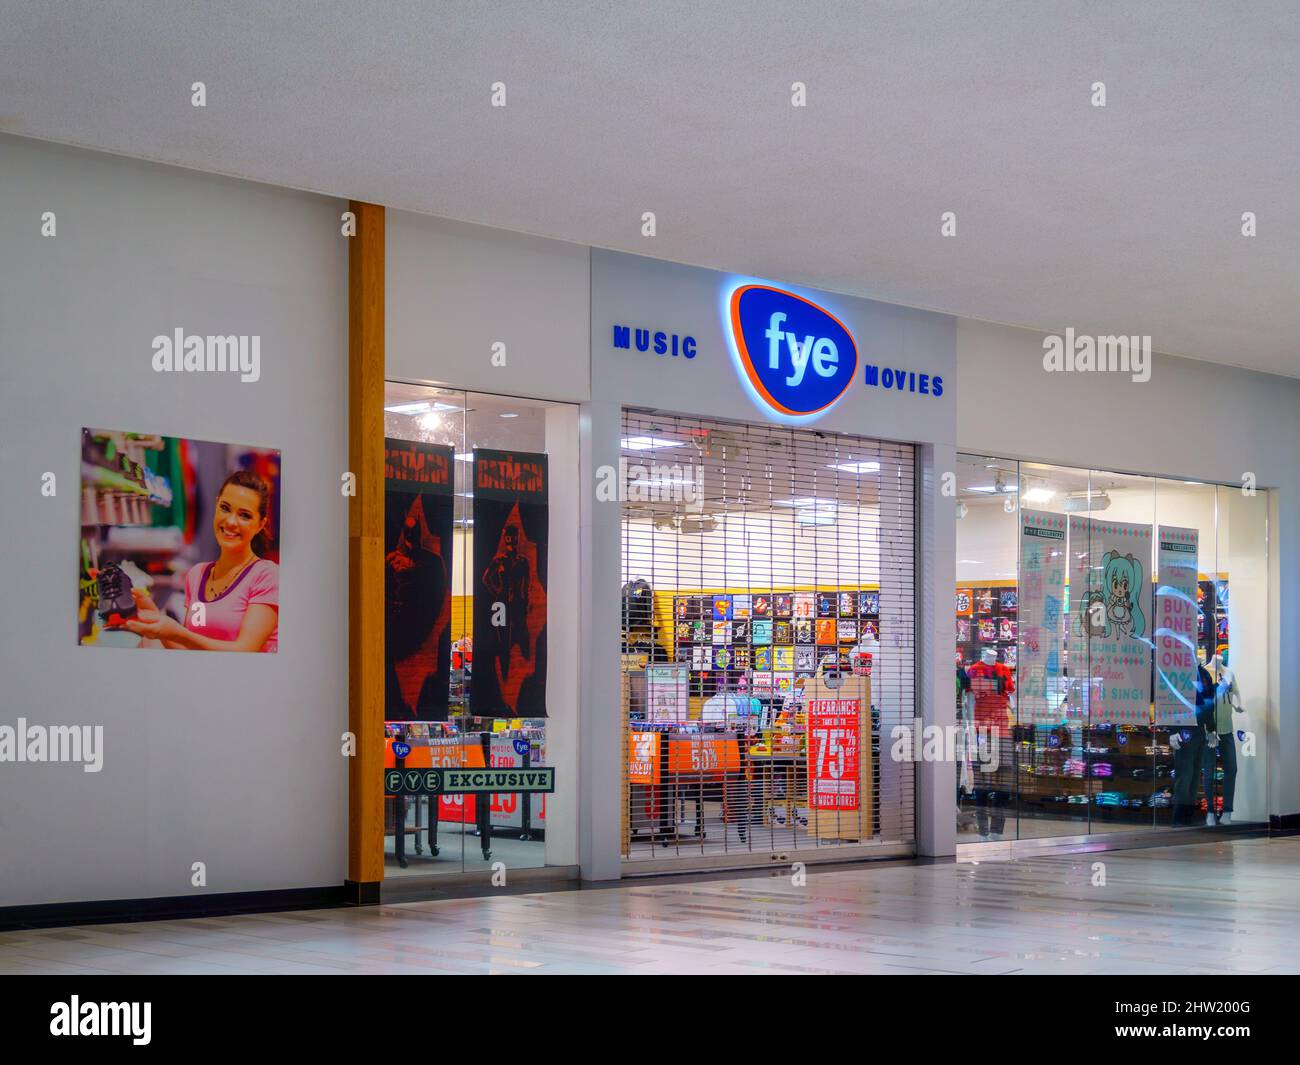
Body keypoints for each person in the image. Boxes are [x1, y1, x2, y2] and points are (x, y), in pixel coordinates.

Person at [125, 470, 279, 652]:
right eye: (225, 508)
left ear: (261, 524)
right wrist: (157, 621)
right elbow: (189, 651)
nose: (231, 521)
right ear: (216, 506)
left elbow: (245, 649)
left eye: (244, 515)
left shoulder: (267, 575)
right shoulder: (197, 575)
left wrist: (176, 632)